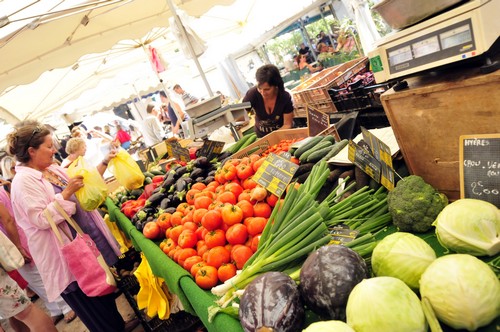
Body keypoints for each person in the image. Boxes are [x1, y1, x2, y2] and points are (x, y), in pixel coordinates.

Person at [6, 121, 128, 332]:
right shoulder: (23, 182)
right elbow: (41, 218)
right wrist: (65, 194)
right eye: (49, 146)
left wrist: (104, 163)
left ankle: (118, 326)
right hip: (68, 257)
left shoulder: (50, 169)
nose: (55, 150)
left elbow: (79, 188)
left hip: (84, 247)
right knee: (93, 308)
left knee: (104, 296)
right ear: (32, 151)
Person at [0, 159, 77, 326]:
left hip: (17, 238)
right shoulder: (9, 185)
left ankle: (65, 307)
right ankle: (57, 308)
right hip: (17, 238)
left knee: (38, 275)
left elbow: (8, 220)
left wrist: (18, 246)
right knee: (35, 276)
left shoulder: (14, 185)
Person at [243, 64, 294, 138]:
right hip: (261, 137)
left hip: (282, 136)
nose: (263, 93)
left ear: (276, 86)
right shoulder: (252, 94)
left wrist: (272, 137)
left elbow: (287, 124)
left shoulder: (284, 97)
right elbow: (241, 115)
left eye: (267, 89)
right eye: (259, 88)